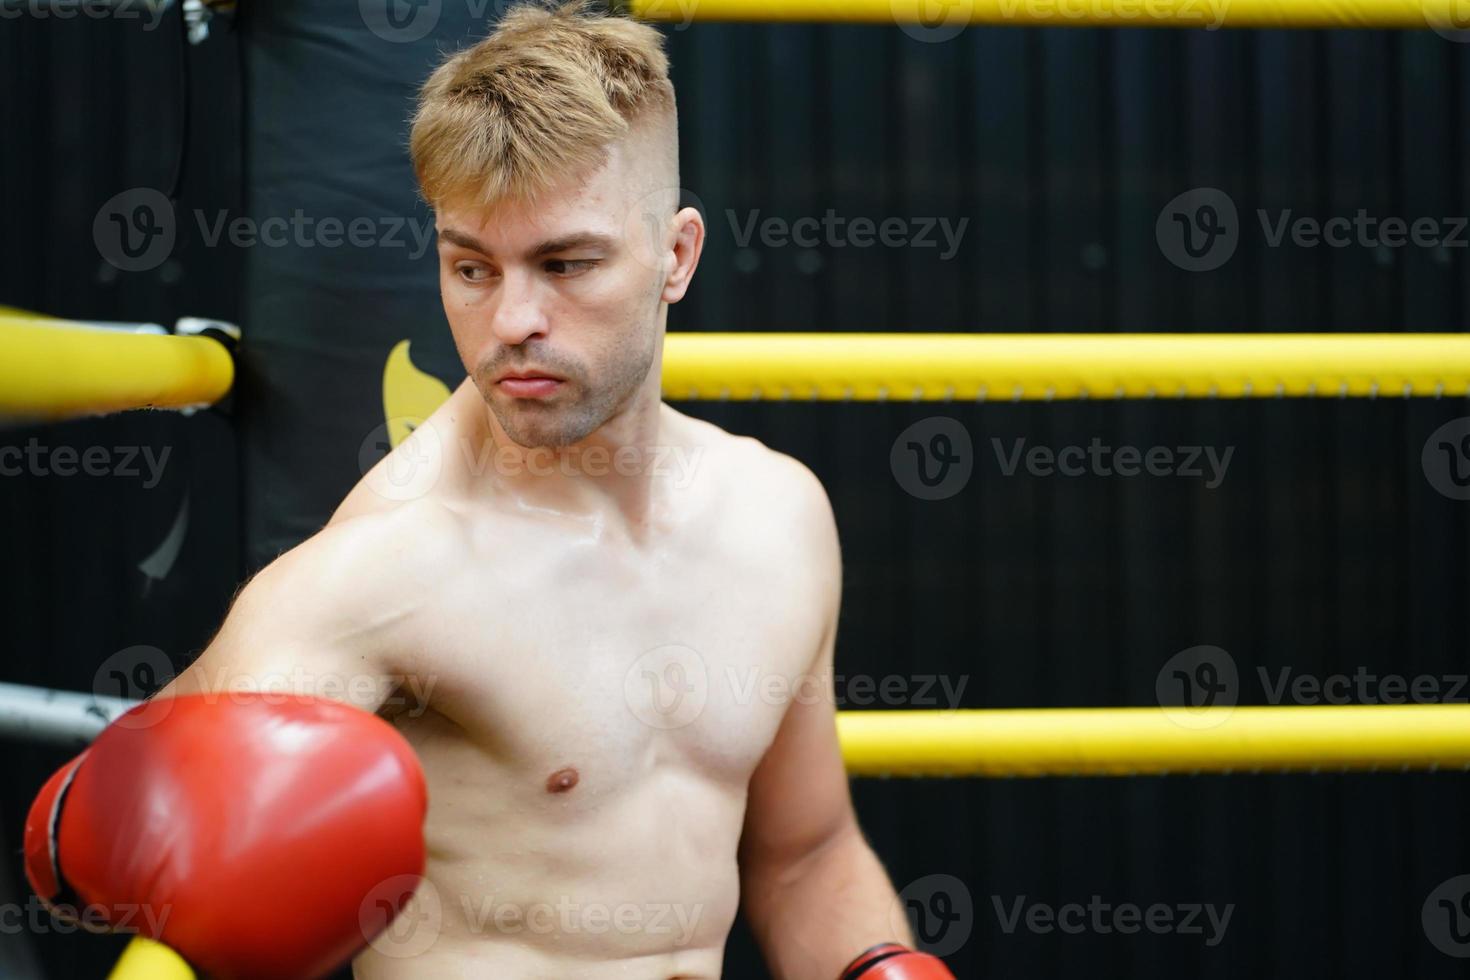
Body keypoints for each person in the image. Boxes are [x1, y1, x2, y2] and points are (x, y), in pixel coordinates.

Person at [28, 3, 955, 977]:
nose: (512, 319)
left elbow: (806, 856)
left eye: (566, 264)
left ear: (676, 257)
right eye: (471, 265)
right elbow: (72, 843)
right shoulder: (387, 571)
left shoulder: (778, 516)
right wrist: (115, 821)